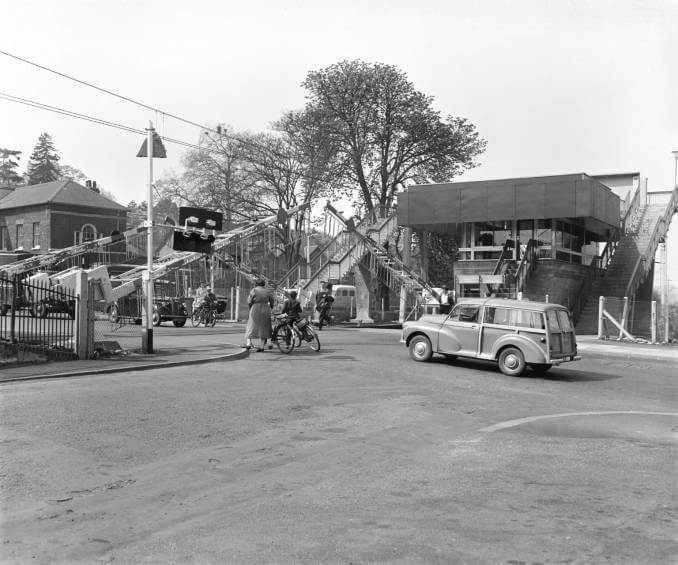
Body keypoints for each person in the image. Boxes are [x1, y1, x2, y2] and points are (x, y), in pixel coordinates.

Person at [245, 279, 274, 351]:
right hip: (265, 309)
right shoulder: (268, 291)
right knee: (264, 327)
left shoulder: (254, 290)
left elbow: (249, 301)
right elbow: (272, 301)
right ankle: (261, 347)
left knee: (251, 325)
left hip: (255, 308)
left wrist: (250, 307)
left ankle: (248, 343)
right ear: (263, 284)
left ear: (256, 284)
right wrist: (271, 307)